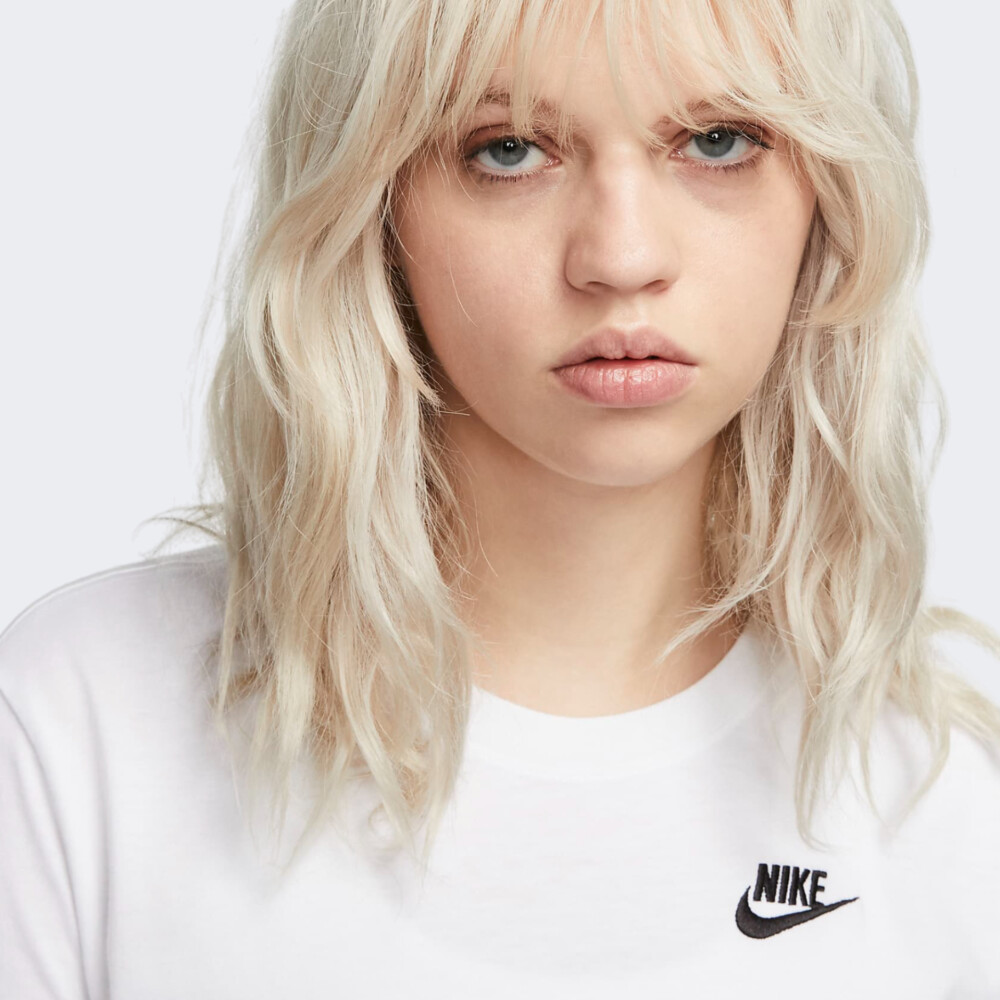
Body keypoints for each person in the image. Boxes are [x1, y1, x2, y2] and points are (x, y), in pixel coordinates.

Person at [2, 0, 999, 995]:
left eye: (717, 141)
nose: (622, 259)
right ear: (376, 203)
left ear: (831, 194)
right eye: (509, 150)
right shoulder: (81, 726)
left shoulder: (960, 782)